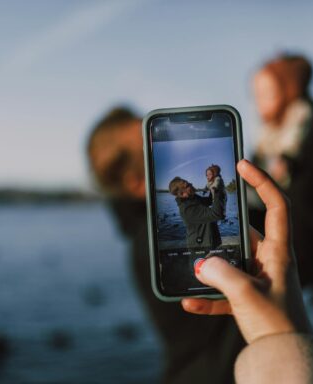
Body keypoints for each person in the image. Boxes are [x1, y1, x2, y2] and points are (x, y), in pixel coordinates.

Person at [86, 107, 245, 384]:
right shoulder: (151, 242)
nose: (173, 141)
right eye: (153, 141)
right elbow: (303, 257)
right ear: (136, 182)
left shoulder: (151, 230)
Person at [182, 159, 313, 384]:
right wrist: (288, 332)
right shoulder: (210, 188)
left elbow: (216, 209)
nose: (205, 176)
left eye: (208, 173)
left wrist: (276, 337)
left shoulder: (216, 186)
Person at [249, 53, 313, 304]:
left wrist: (284, 161)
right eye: (255, 96)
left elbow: (292, 147)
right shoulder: (270, 128)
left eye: (267, 95)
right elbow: (260, 154)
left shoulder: (301, 114)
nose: (258, 103)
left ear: (289, 89)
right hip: (295, 198)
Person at [169, 176, 224, 249]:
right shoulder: (187, 209)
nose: (191, 184)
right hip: (201, 248)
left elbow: (208, 201)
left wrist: (212, 187)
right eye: (187, 185)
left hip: (210, 243)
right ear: (182, 194)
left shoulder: (192, 197)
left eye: (188, 183)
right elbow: (217, 214)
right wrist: (217, 191)